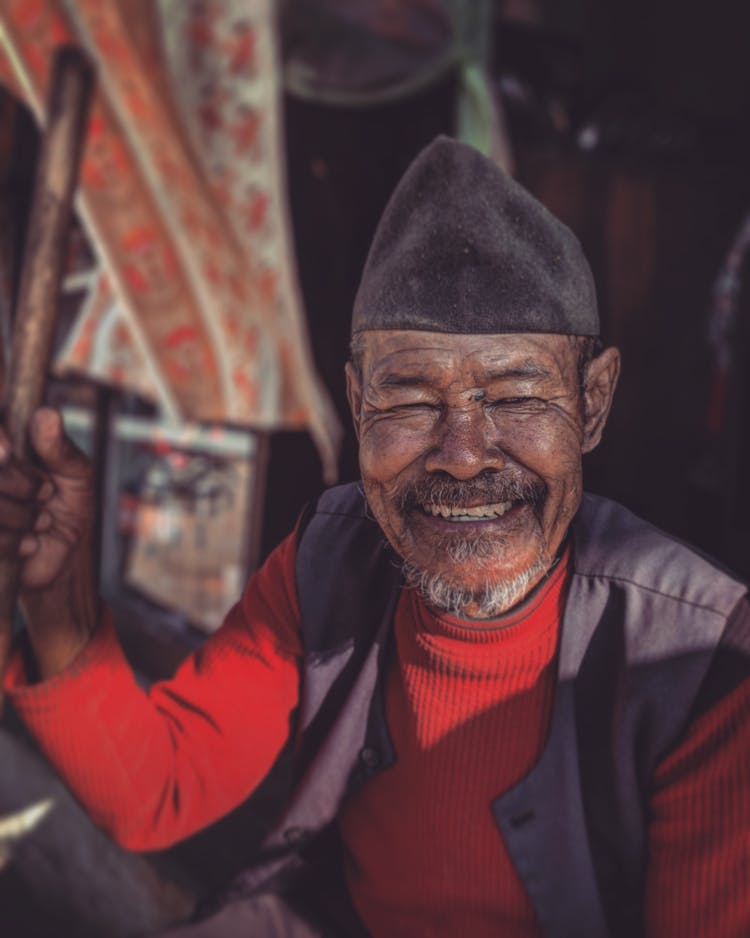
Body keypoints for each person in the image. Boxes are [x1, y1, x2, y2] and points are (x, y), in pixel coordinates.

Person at [1, 136, 749, 938]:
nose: (463, 457)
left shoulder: (703, 663)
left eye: (515, 395)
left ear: (592, 404)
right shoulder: (327, 560)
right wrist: (57, 597)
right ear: (357, 402)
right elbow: (154, 792)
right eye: (411, 401)